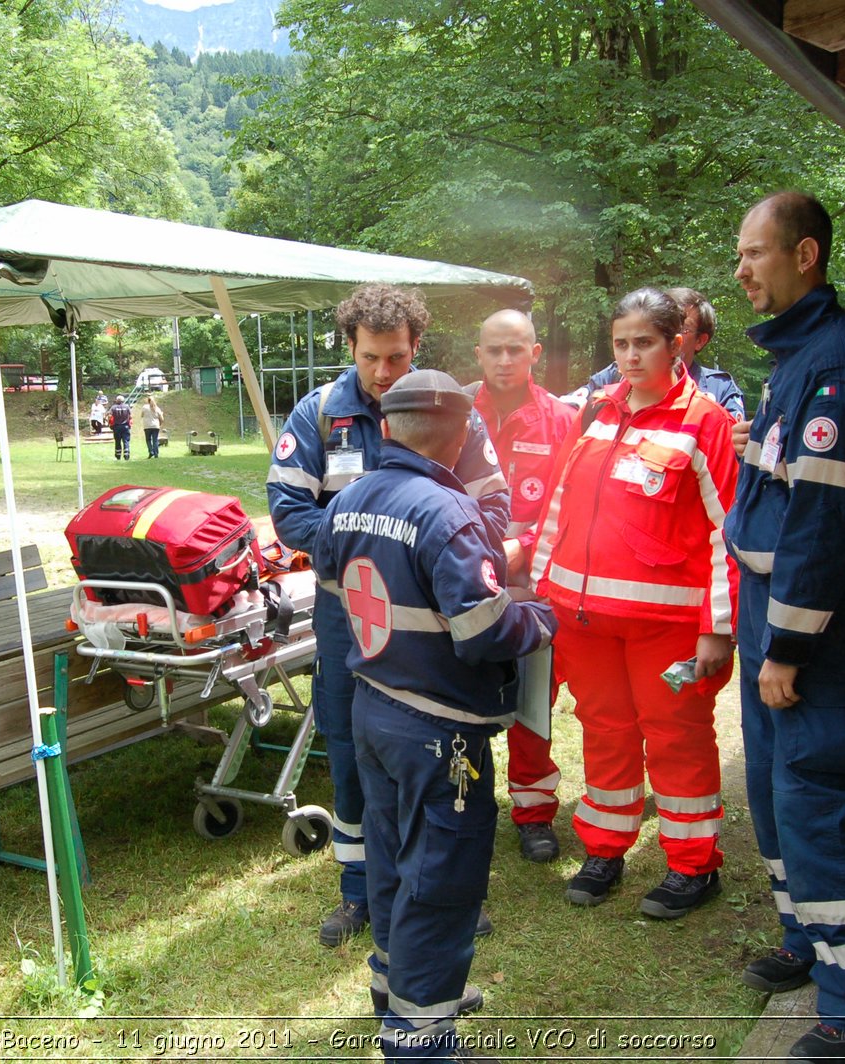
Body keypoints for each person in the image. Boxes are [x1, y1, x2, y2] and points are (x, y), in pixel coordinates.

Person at [314, 369, 556, 1063]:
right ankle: (421, 1042)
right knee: (442, 881)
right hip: (439, 729)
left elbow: (337, 589)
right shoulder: (451, 515)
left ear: (385, 428)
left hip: (373, 709)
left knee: (391, 859)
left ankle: (396, 990)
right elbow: (482, 632)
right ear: (461, 435)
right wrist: (540, 619)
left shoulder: (348, 501)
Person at [267, 283, 510, 948]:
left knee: (442, 753)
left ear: (417, 348)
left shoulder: (451, 412)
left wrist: (422, 553)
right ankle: (359, 893)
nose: (383, 372)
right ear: (350, 347)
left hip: (434, 626)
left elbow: (493, 510)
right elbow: (289, 512)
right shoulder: (317, 415)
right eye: (371, 357)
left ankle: (444, 891)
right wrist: (370, 548)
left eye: (397, 357)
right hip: (348, 618)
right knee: (351, 754)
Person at [724, 192, 845, 1062]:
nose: (742, 271)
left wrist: (787, 646)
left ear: (805, 255)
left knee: (814, 801)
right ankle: (809, 942)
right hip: (772, 613)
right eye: (738, 256)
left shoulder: (838, 363)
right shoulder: (796, 357)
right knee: (772, 791)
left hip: (813, 626)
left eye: (754, 254)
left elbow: (825, 524)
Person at [528, 287, 737, 918]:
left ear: (678, 344)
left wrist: (717, 630)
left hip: (666, 629)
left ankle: (692, 866)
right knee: (606, 732)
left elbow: (728, 534)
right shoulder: (596, 411)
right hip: (584, 621)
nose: (630, 355)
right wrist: (543, 592)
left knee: (677, 737)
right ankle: (606, 848)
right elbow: (559, 506)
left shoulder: (706, 421)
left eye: (644, 342)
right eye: (621, 343)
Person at [470, 309, 577, 863]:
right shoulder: (455, 411)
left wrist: (524, 548)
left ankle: (534, 813)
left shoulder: (564, 420)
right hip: (463, 587)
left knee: (535, 702)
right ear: (479, 354)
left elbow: (570, 505)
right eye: (494, 350)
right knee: (462, 700)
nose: (505, 360)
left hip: (535, 591)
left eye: (516, 349)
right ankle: (466, 805)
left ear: (536, 353)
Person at [563, 287, 745, 420]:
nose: (631, 357)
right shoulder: (615, 375)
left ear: (700, 340)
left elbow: (733, 448)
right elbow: (570, 408)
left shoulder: (718, 390)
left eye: (683, 327)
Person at [108, 394, 133, 460]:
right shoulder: (127, 407)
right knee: (126, 441)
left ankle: (118, 456)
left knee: (117, 441)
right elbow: (130, 416)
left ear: (117, 400)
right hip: (125, 427)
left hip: (116, 427)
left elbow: (110, 416)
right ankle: (126, 455)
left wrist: (109, 423)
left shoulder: (113, 407)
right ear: (123, 400)